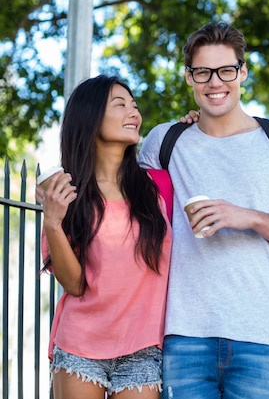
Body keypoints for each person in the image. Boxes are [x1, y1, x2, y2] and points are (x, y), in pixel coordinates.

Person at [137, 21, 269, 399]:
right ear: (189, 77)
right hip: (182, 332)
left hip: (259, 333)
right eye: (202, 72)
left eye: (225, 70)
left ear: (243, 72)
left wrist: (249, 217)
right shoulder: (165, 140)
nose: (214, 82)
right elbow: (124, 207)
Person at [37, 74, 172, 398]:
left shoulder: (158, 186)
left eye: (134, 106)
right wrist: (53, 224)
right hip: (81, 344)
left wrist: (192, 121)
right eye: (120, 104)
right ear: (91, 117)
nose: (134, 113)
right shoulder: (67, 193)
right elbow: (74, 284)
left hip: (143, 349)